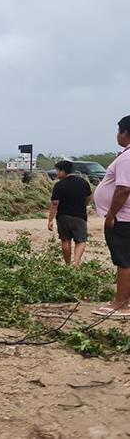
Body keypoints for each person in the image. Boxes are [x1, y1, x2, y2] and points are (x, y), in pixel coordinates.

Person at [92, 115, 130, 317]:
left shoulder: (127, 158)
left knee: (123, 260)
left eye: (119, 131)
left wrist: (110, 215)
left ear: (125, 132)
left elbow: (123, 189)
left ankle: (121, 304)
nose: (117, 135)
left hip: (123, 218)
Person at [47, 160, 92, 267]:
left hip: (63, 216)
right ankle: (76, 263)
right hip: (79, 216)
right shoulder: (83, 182)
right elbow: (89, 197)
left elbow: (54, 203)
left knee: (65, 240)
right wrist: (83, 205)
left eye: (58, 171)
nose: (57, 173)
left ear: (63, 171)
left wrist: (50, 220)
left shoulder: (59, 185)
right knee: (80, 240)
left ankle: (67, 265)